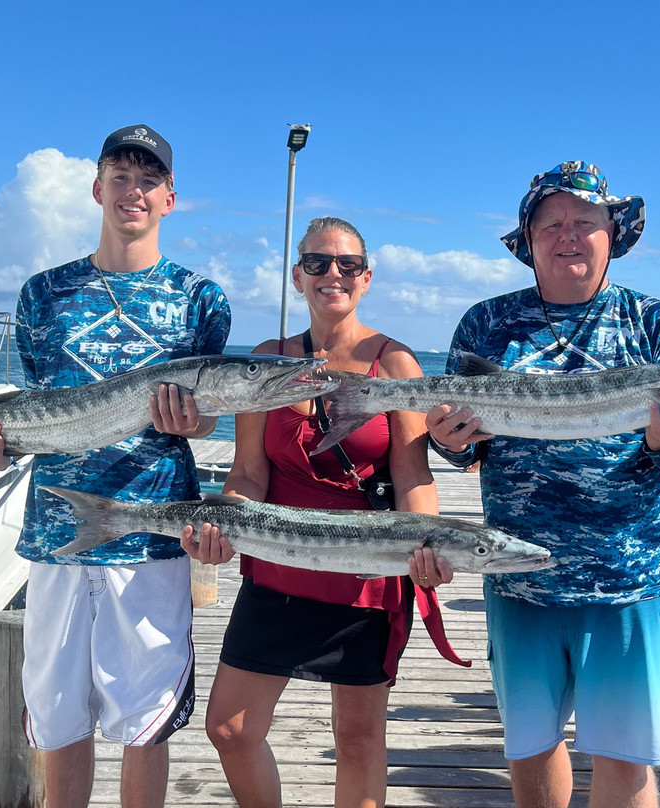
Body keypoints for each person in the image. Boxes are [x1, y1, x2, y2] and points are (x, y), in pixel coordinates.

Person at [424, 162, 660, 808]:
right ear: (527, 239)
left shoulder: (656, 325)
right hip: (518, 575)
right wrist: (449, 439)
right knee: (531, 751)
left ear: (614, 233)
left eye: (585, 220)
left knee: (627, 762)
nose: (568, 234)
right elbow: (461, 450)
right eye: (551, 223)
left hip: (627, 581)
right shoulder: (486, 324)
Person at [0, 124, 232, 808]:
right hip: (55, 532)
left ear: (170, 198)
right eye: (120, 175)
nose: (133, 190)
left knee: (147, 723)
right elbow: (35, 414)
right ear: (97, 188)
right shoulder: (42, 293)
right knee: (57, 719)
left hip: (152, 535)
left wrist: (194, 422)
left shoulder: (202, 299)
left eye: (148, 179)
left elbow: (208, 413)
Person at [182, 216, 465, 808]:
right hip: (276, 567)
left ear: (367, 278)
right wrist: (226, 524)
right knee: (230, 728)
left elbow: (413, 474)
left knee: (358, 738)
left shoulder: (395, 363)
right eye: (317, 262)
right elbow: (248, 473)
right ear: (297, 276)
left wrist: (431, 546)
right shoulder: (267, 360)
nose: (332, 274)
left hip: (366, 573)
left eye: (348, 264)